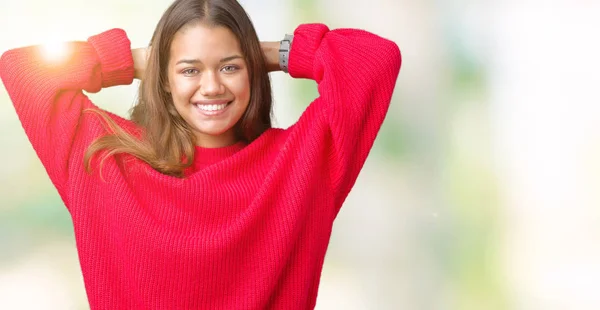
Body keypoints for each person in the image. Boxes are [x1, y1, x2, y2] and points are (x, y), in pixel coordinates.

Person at [0, 0, 401, 308]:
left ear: (252, 71)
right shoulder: (108, 162)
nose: (211, 87)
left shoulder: (300, 162)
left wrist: (264, 53)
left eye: (229, 68)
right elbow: (21, 69)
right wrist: (147, 60)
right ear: (163, 78)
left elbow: (375, 61)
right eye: (189, 71)